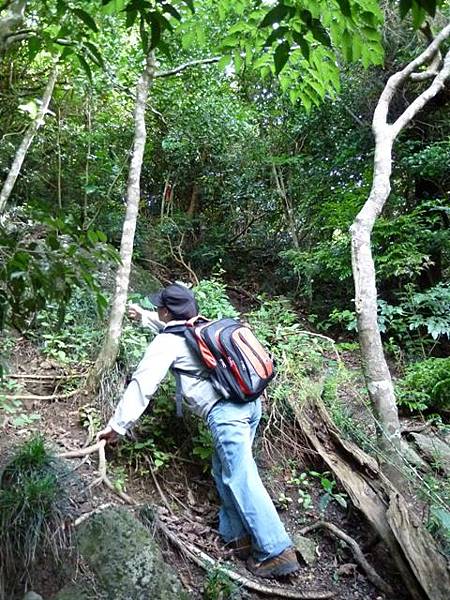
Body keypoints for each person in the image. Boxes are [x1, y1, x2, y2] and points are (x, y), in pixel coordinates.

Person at [97, 283, 300, 578]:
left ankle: (276, 550)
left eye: (158, 308)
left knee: (240, 475)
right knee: (224, 471)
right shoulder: (199, 326)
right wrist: (142, 316)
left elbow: (142, 385)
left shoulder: (166, 344)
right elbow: (170, 331)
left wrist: (117, 426)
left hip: (226, 415)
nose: (157, 311)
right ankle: (237, 537)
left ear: (167, 311)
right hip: (250, 406)